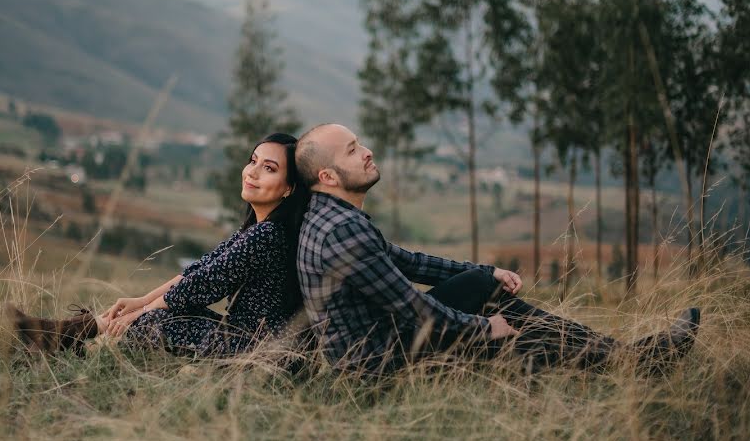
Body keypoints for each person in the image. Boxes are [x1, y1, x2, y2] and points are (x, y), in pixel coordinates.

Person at [294, 123, 700, 375]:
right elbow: (413, 308)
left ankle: (626, 358)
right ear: (328, 175)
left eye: (358, 142)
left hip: (379, 345)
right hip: (376, 366)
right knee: (500, 326)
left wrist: (486, 272)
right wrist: (482, 327)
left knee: (484, 288)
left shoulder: (337, 218)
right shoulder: (343, 233)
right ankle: (630, 362)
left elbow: (411, 263)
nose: (366, 151)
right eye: (352, 150)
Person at [7, 133, 309, 358]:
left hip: (263, 353)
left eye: (269, 168)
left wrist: (141, 312)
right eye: (253, 161)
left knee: (150, 322)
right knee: (149, 315)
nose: (253, 172)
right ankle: (64, 336)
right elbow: (199, 270)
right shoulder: (257, 228)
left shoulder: (269, 234)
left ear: (289, 188)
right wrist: (140, 300)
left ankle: (64, 337)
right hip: (245, 339)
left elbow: (202, 286)